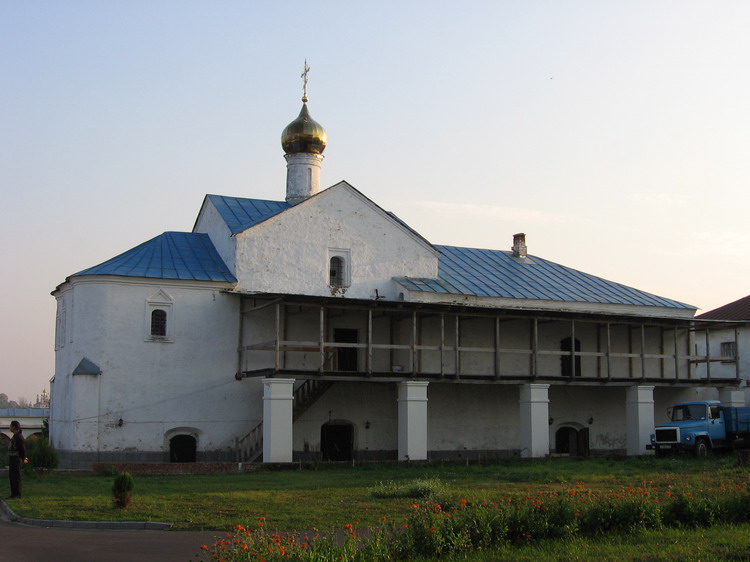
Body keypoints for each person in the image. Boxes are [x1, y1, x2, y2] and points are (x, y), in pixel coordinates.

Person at [8, 420, 28, 499]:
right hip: (13, 459)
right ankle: (13, 494)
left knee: (16, 477)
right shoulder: (15, 436)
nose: (9, 427)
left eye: (10, 426)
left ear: (14, 427)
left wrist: (24, 458)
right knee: (12, 477)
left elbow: (23, 450)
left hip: (16, 459)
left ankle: (17, 494)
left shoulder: (19, 437)